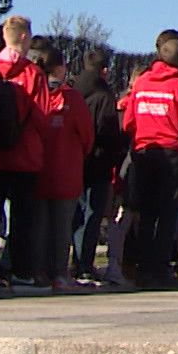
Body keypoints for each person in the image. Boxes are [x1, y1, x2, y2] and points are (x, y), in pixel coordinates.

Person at [119, 30, 178, 289]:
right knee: (168, 215)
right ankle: (159, 269)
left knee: (146, 214)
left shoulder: (142, 83)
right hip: (171, 154)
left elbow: (128, 122)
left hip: (144, 152)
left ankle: (144, 268)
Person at [0, 15, 48, 290]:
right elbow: (42, 117)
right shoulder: (33, 74)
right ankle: (21, 270)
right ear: (23, 38)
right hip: (24, 155)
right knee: (23, 218)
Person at [33, 43, 93, 292]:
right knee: (61, 226)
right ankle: (59, 272)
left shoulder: (34, 94)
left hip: (37, 168)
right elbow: (87, 135)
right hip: (66, 169)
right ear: (60, 68)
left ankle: (36, 271)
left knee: (38, 224)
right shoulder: (71, 98)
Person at [71, 48, 123, 284]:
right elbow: (108, 131)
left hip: (75, 159)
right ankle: (84, 263)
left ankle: (74, 262)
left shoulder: (73, 90)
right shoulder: (104, 96)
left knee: (76, 213)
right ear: (104, 70)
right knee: (92, 215)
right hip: (99, 161)